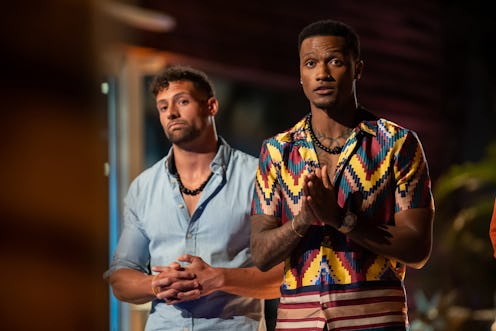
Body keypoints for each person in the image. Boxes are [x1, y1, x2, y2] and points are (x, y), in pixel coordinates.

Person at [250, 19, 435, 331]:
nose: (322, 73)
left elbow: (418, 250)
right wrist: (303, 219)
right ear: (300, 75)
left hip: (375, 320)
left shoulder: (397, 144)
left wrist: (341, 219)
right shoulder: (277, 151)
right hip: (298, 322)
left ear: (357, 69)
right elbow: (260, 254)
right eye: (310, 64)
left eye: (334, 61)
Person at [104, 65, 283, 331]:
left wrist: (219, 278)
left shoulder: (255, 177)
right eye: (163, 107)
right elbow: (120, 277)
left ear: (211, 106)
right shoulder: (143, 187)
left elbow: (284, 276)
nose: (171, 113)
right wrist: (154, 284)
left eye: (182, 102)